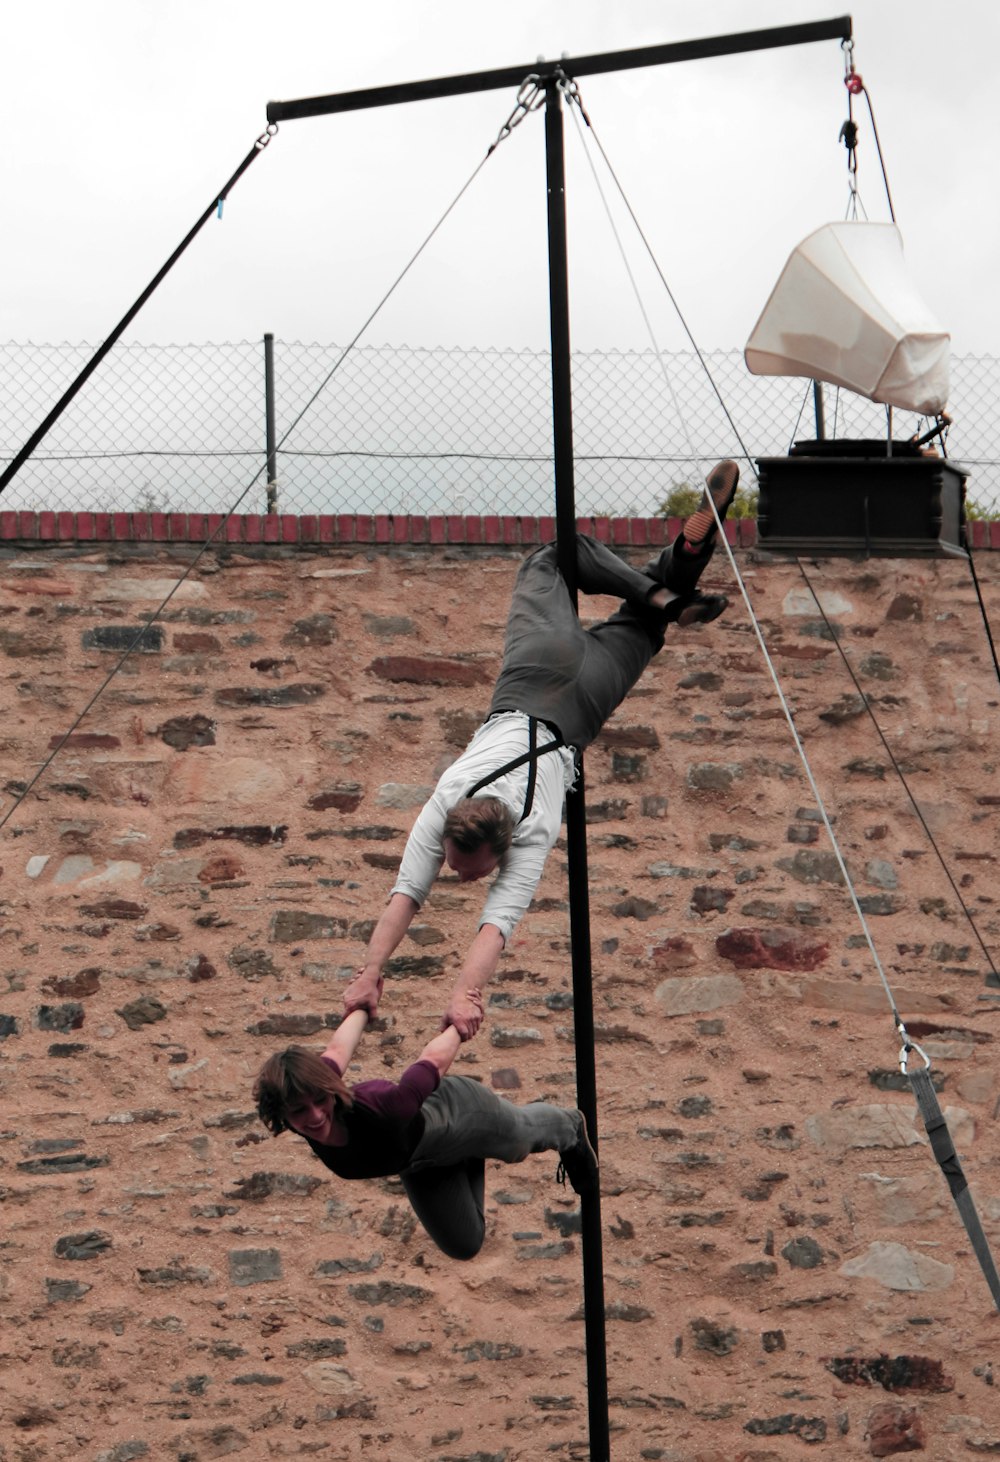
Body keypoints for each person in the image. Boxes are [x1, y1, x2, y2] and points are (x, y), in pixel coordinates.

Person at [343, 460, 741, 1038]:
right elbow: (439, 909)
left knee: (611, 599)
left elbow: (467, 919)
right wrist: (398, 979)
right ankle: (669, 581)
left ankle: (665, 596)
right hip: (543, 671)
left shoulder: (527, 832)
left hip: (575, 697)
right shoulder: (448, 798)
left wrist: (386, 977)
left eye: (459, 867)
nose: (455, 875)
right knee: (559, 556)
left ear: (496, 848)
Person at [253, 1009, 599, 1260]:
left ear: (329, 1091)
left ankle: (569, 1128)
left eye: (319, 1102)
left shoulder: (385, 1107)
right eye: (299, 1111)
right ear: (280, 1112)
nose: (315, 1116)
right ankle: (468, 1154)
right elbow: (337, 1049)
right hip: (418, 1159)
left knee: (520, 1141)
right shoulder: (308, 1088)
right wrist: (361, 1007)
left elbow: (432, 1061)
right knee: (464, 1243)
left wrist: (460, 1025)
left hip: (456, 1114)